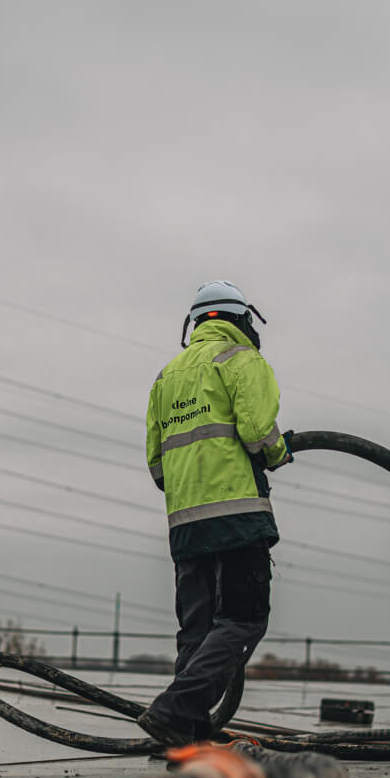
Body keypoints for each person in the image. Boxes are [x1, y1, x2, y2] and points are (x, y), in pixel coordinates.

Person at [137, 281, 293, 746]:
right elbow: (258, 432)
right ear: (242, 319)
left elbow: (156, 464)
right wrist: (279, 452)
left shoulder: (166, 377)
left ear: (196, 324)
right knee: (245, 620)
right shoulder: (242, 361)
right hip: (238, 512)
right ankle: (175, 708)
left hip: (185, 520)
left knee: (198, 627)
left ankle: (184, 735)